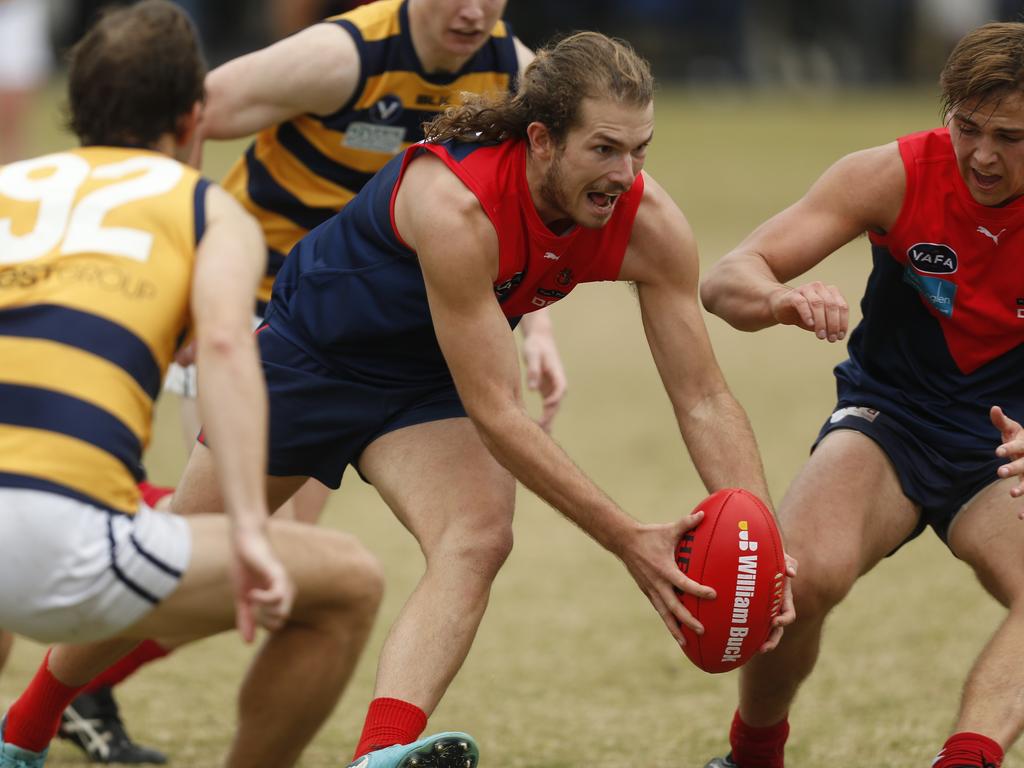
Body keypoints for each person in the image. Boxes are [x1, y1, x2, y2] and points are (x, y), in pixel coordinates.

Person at [170, 30, 796, 767]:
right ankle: (29, 723)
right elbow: (499, 413)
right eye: (603, 149)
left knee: (476, 538)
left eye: (640, 150)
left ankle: (380, 755)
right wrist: (628, 537)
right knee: (174, 569)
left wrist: (763, 548)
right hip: (312, 360)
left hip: (430, 379)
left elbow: (703, 398)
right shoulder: (457, 203)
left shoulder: (649, 224)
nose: (626, 175)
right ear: (541, 140)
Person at [0, 3, 389, 768]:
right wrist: (248, 524)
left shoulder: (10, 185)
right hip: (63, 541)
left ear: (75, 109)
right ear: (194, 119)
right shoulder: (208, 211)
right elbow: (223, 347)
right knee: (347, 584)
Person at [699, 21, 1024, 768]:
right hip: (892, 420)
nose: (980, 154)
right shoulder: (894, 173)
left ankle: (966, 759)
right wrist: (779, 299)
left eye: (1010, 137)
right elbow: (727, 278)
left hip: (1007, 446)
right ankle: (753, 755)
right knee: (797, 581)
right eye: (967, 126)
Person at [172, 0, 568, 525]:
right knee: (224, 538)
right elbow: (189, 115)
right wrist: (191, 283)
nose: (474, 13)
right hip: (250, 300)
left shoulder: (509, 73)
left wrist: (537, 330)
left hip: (340, 326)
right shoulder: (345, 56)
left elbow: (519, 205)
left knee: (289, 542)